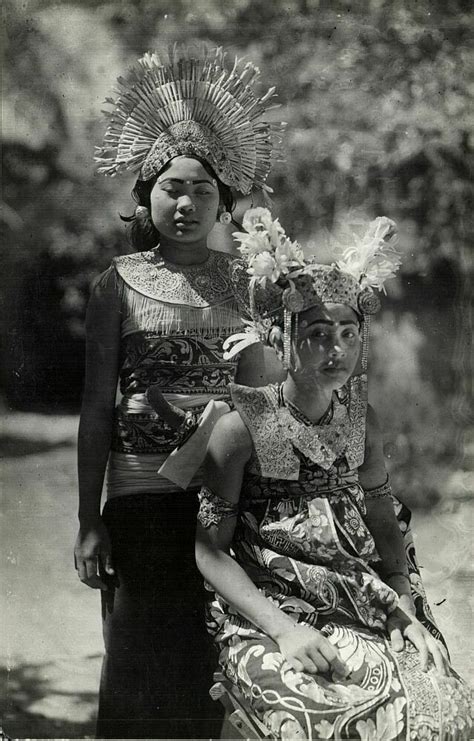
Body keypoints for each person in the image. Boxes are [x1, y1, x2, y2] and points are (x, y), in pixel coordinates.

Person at [195, 209, 472, 740]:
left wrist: (404, 606)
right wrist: (284, 630)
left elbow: (384, 523)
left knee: (441, 706)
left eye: (348, 333)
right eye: (319, 333)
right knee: (316, 715)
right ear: (282, 338)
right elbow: (209, 549)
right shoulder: (240, 428)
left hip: (364, 599)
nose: (337, 349)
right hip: (267, 608)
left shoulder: (362, 422)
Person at [73, 48, 284, 738]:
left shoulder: (252, 284)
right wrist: (88, 518)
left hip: (227, 502)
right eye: (171, 187)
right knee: (137, 665)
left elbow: (268, 398)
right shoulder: (118, 282)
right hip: (138, 499)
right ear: (145, 195)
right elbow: (96, 408)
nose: (186, 202)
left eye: (201, 188)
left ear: (225, 200)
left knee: (214, 670)